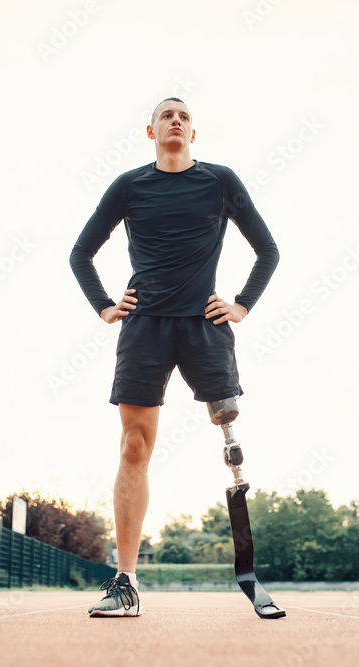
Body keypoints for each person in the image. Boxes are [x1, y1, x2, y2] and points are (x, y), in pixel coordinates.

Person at [70, 97, 279, 617]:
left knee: (229, 430)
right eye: (167, 115)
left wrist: (242, 306)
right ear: (150, 130)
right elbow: (80, 253)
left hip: (205, 324)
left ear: (194, 132)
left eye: (184, 116)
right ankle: (125, 581)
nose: (176, 121)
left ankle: (250, 570)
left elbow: (268, 250)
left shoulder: (220, 181)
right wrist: (104, 307)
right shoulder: (129, 185)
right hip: (143, 327)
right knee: (135, 447)